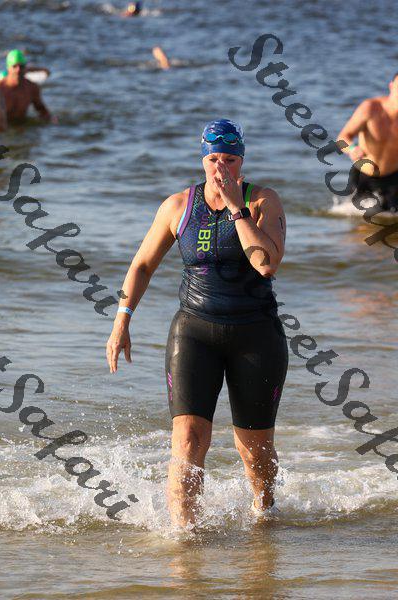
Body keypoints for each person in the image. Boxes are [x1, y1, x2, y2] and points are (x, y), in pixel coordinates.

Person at [106, 119, 288, 528]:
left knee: (255, 453)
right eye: (213, 159)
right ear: (202, 159)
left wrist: (237, 208)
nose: (221, 167)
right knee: (188, 441)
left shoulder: (263, 202)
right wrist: (122, 320)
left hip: (256, 336)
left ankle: (264, 521)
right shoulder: (178, 206)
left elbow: (266, 264)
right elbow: (142, 265)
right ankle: (184, 539)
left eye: (230, 159)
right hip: (194, 332)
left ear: (242, 160)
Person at [337, 73, 398, 212]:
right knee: (358, 221)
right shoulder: (370, 108)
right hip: (364, 176)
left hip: (394, 178)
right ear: (391, 86)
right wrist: (352, 148)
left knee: (391, 221)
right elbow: (342, 137)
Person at [0, 49, 52, 131]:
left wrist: (51, 122)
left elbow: (41, 109)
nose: (18, 70)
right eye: (14, 66)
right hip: (4, 129)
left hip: (21, 127)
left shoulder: (32, 88)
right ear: (8, 68)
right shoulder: (0, 87)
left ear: (25, 67)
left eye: (21, 66)